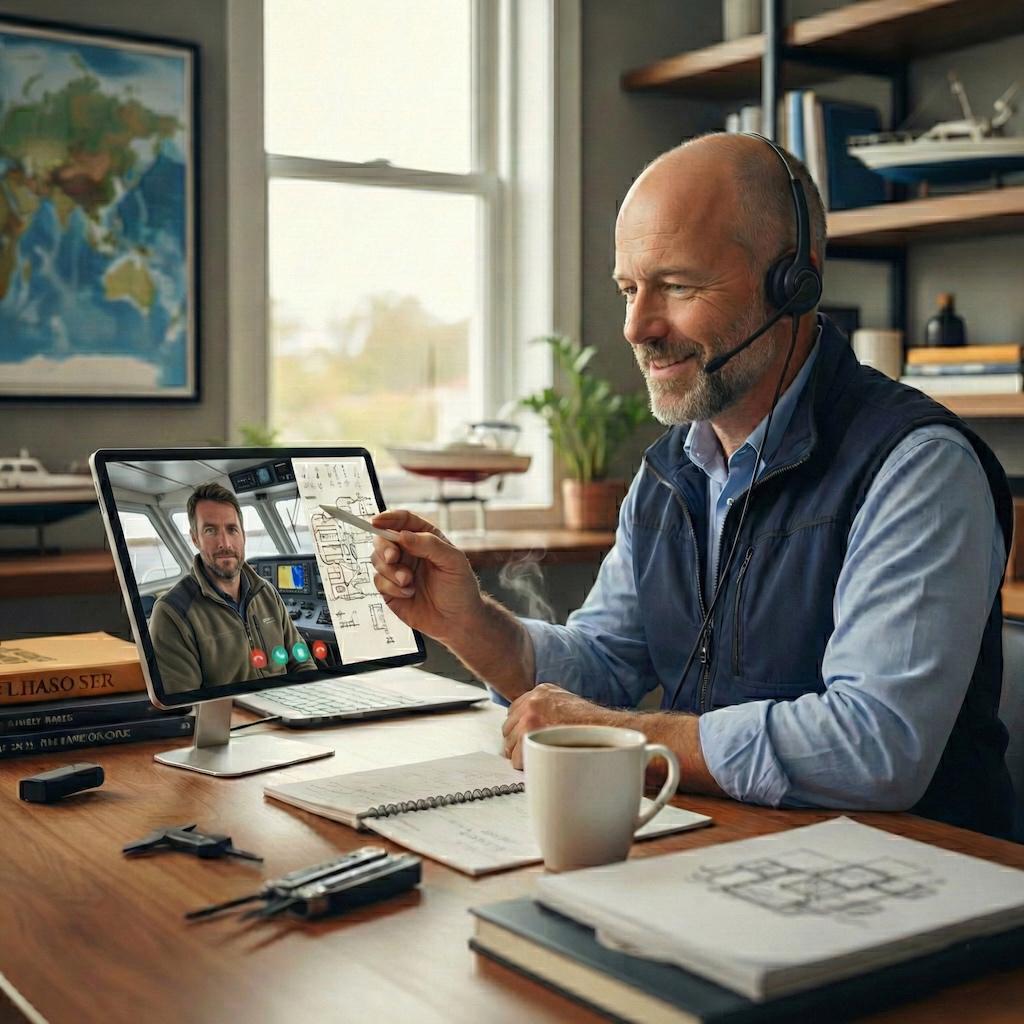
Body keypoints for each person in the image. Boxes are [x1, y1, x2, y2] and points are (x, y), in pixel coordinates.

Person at [370, 133, 1014, 837]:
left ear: (793, 282)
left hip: (915, 882)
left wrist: (628, 736)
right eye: (628, 289)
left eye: (677, 286)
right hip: (730, 854)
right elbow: (602, 669)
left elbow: (875, 746)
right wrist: (471, 622)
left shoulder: (916, 466)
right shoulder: (667, 475)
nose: (637, 326)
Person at [149, 482, 315, 694]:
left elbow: (301, 661)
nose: (225, 543)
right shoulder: (172, 612)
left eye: (231, 529)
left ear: (243, 535)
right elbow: (188, 707)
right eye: (210, 530)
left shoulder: (266, 593)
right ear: (195, 539)